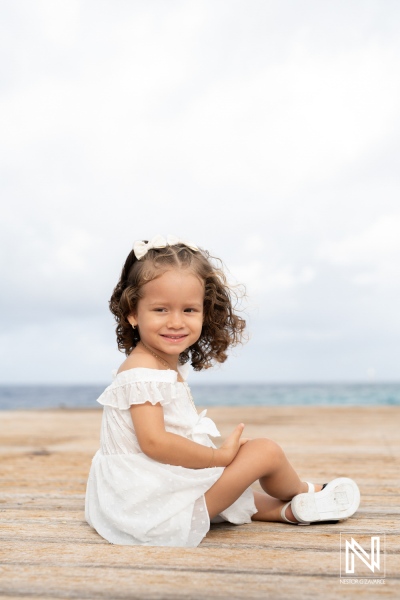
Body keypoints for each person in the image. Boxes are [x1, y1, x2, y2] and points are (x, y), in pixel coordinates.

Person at [85, 235, 360, 547]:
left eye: (188, 310)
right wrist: (217, 457)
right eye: (161, 309)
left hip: (152, 492)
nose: (176, 322)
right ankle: (306, 490)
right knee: (264, 451)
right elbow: (154, 442)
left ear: (205, 312)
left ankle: (291, 510)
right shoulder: (141, 371)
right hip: (147, 508)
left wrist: (218, 461)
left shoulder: (155, 364)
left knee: (238, 487)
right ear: (133, 313)